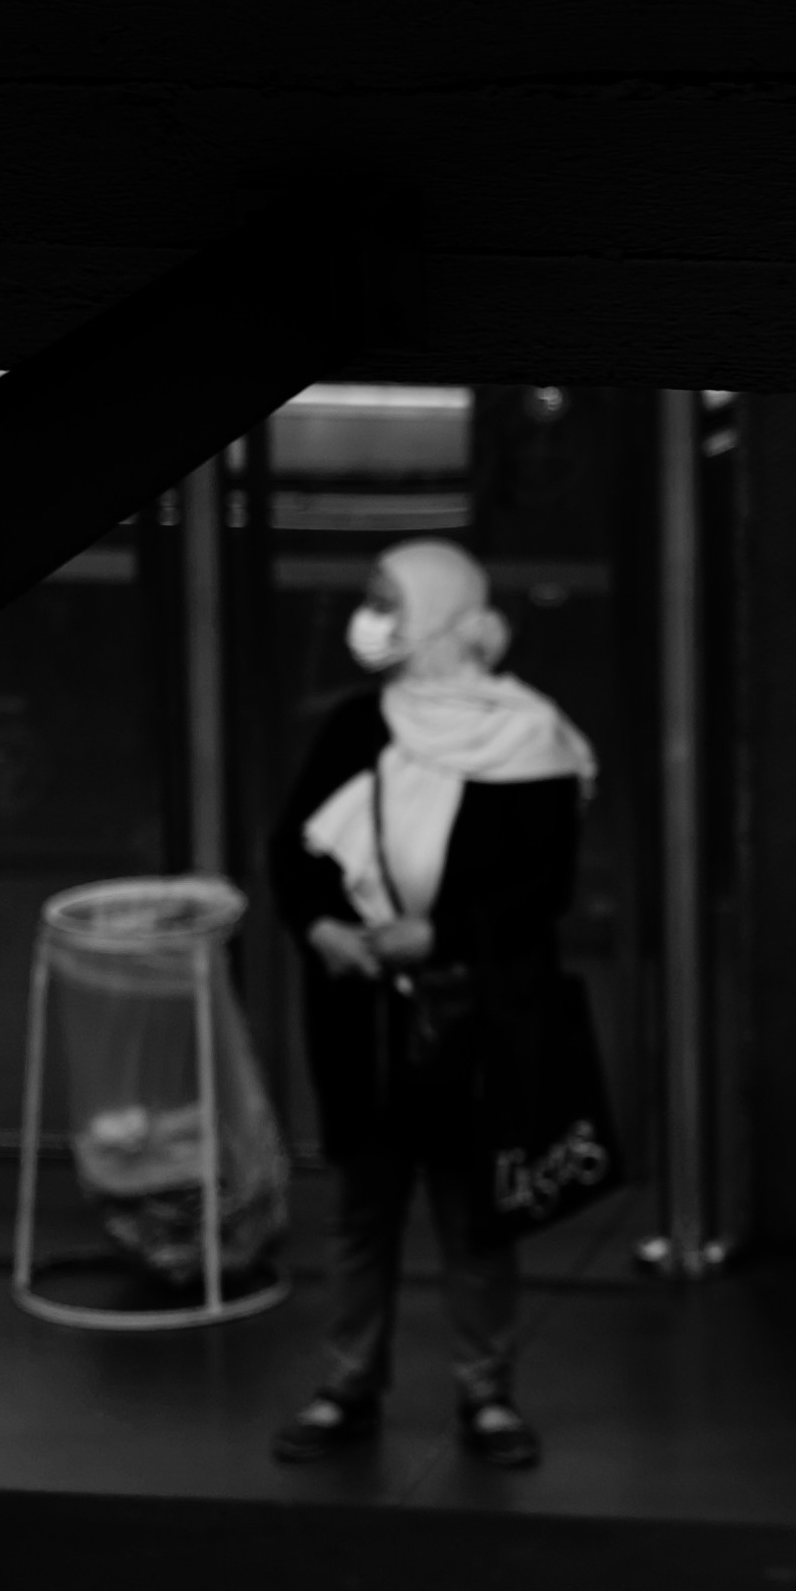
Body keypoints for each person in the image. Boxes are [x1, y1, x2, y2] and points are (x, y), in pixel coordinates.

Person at [266, 535, 594, 1475]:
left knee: (473, 1210)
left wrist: (440, 936)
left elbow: (544, 887)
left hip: (468, 1011)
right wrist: (322, 928)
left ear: (444, 616)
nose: (373, 620)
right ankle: (347, 1384)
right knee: (362, 1208)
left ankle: (485, 1393)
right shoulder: (354, 726)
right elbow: (292, 853)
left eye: (389, 602)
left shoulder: (530, 739)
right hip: (361, 1014)